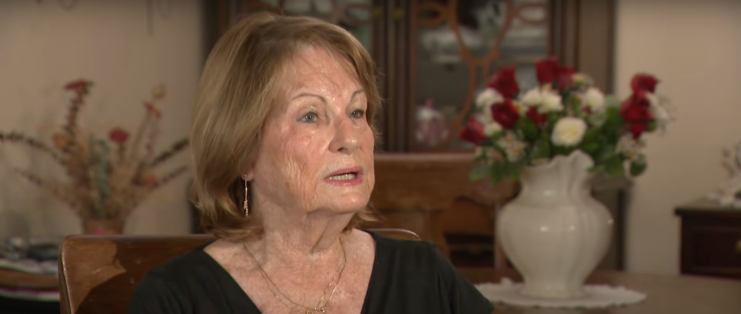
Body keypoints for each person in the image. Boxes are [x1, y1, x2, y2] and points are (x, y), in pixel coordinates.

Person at [127, 12, 493, 314]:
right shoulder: (175, 299)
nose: (350, 138)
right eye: (310, 116)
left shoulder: (426, 276)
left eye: (356, 111)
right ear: (242, 152)